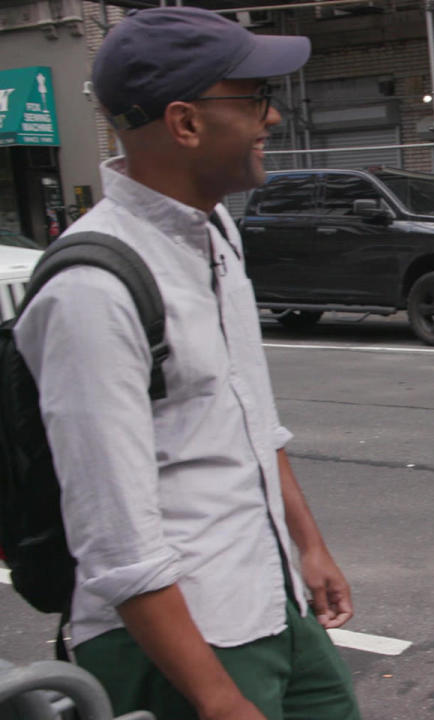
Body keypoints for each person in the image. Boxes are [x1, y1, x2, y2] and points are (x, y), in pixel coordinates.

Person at [14, 8, 360, 720]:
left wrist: (309, 545)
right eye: (254, 98)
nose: (272, 119)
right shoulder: (93, 289)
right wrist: (216, 700)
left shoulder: (215, 231)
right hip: (176, 644)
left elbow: (250, 416)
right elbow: (114, 538)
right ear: (185, 123)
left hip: (267, 598)